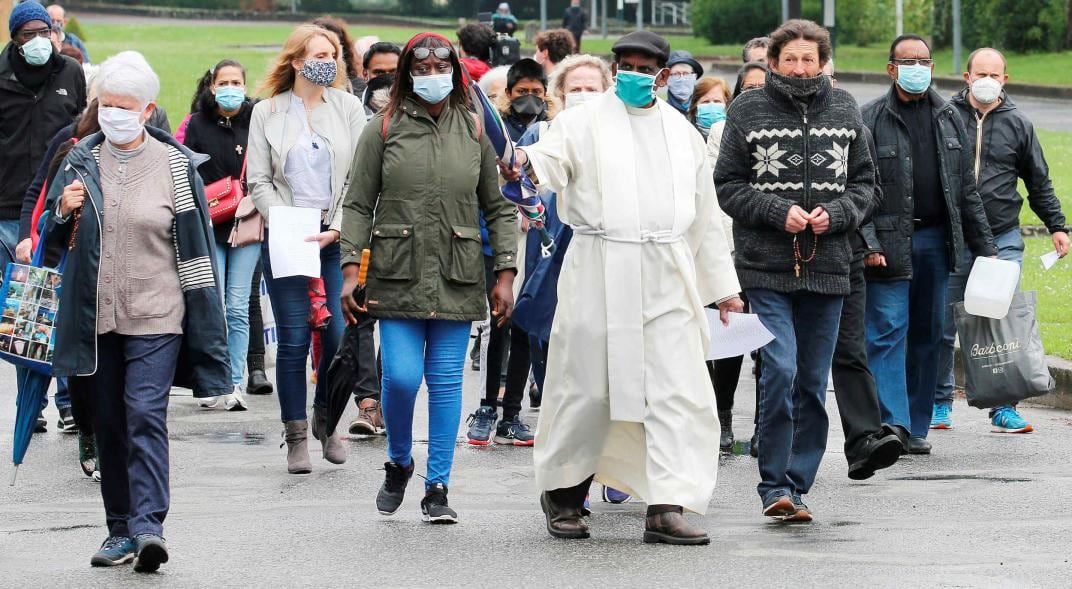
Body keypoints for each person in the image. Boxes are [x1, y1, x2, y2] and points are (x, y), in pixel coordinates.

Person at [511, 31, 742, 545]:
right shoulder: (581, 121)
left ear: (663, 74)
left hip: (666, 272)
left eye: (645, 66)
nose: (635, 74)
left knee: (677, 390)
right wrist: (525, 163)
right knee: (587, 388)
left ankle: (666, 507)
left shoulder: (681, 135)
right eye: (626, 65)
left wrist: (723, 287)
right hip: (598, 267)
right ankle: (566, 496)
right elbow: (549, 161)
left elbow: (704, 218)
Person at [44, 51, 230, 572]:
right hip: (96, 314)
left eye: (126, 107)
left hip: (158, 311)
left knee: (145, 413)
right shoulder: (80, 157)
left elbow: (195, 248)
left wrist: (205, 321)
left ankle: (150, 527)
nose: (114, 114)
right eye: (107, 105)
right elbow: (53, 241)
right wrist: (63, 209)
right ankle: (119, 530)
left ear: (148, 111)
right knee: (108, 422)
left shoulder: (175, 165)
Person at [340, 32, 517, 524]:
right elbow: (356, 203)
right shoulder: (383, 128)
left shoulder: (475, 128)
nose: (433, 76)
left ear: (456, 72)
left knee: (444, 382)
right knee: (400, 378)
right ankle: (399, 461)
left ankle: (437, 485)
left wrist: (504, 272)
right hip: (396, 275)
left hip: (458, 275)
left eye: (443, 67)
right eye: (423, 68)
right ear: (407, 74)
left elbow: (499, 207)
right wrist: (350, 270)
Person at [715, 20, 875, 522]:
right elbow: (727, 184)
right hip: (766, 266)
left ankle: (797, 485)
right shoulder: (748, 108)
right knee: (779, 369)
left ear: (823, 62)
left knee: (810, 379)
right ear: (773, 62)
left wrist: (841, 214)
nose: (800, 68)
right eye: (791, 59)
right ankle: (772, 483)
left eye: (809, 59)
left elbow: (868, 184)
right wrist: (773, 210)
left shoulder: (846, 108)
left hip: (829, 266)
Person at [860, 34, 996, 456]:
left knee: (929, 335)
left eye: (924, 60)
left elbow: (966, 190)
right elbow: (860, 189)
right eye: (908, 61)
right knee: (886, 332)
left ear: (933, 67)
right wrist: (868, 241)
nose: (917, 67)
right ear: (891, 68)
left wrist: (987, 249)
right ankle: (892, 424)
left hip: (938, 242)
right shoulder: (870, 118)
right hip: (888, 244)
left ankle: (917, 425)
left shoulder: (950, 117)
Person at [246, 24, 366, 474]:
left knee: (335, 337)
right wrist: (282, 220)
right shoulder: (268, 112)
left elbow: (359, 176)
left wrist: (337, 226)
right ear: (296, 61)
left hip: (334, 237)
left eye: (333, 53)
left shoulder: (349, 107)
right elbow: (257, 178)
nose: (328, 61)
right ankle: (296, 433)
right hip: (287, 235)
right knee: (295, 340)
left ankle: (327, 419)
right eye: (319, 53)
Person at [936, 47, 1069, 432]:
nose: (987, 81)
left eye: (995, 75)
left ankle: (1004, 407)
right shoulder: (945, 117)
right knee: (944, 324)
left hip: (1003, 237)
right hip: (953, 237)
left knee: (1000, 320)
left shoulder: (1019, 123)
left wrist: (1057, 226)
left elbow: (1038, 181)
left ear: (1005, 80)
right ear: (966, 76)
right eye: (981, 73)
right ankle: (939, 403)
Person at [819, 58, 905, 480]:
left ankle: (865, 441)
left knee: (851, 351)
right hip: (787, 261)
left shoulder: (855, 126)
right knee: (790, 363)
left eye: (826, 74)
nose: (817, 81)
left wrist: (847, 225)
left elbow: (870, 193)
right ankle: (783, 442)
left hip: (845, 252)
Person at [183, 59, 259, 411]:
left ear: (245, 85)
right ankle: (211, 379)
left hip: (247, 223)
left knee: (238, 305)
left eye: (236, 82)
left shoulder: (257, 119)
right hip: (210, 223)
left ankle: (234, 381)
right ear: (212, 86)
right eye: (223, 82)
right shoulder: (197, 123)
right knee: (213, 305)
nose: (231, 88)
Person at [1, 1, 86, 277]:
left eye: (44, 32)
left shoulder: (71, 72)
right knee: (10, 300)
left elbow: (80, 131)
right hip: (7, 204)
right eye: (29, 34)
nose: (38, 40)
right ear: (15, 38)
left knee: (46, 301)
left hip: (54, 203)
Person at [498, 58, 548, 141]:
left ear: (545, 94)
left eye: (536, 92)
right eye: (522, 91)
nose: (529, 97)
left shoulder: (554, 125)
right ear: (508, 93)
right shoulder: (498, 125)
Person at [311, 16, 361, 93]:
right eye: (321, 55)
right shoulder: (294, 90)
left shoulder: (357, 87)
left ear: (343, 48)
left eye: (334, 47)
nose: (329, 59)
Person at [686, 76, 728, 140]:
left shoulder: (736, 138)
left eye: (717, 101)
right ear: (695, 107)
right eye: (706, 101)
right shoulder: (686, 136)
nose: (712, 106)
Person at [665, 50, 703, 115]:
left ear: (694, 77)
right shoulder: (662, 111)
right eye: (676, 74)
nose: (681, 79)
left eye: (686, 73)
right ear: (666, 79)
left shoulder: (703, 109)